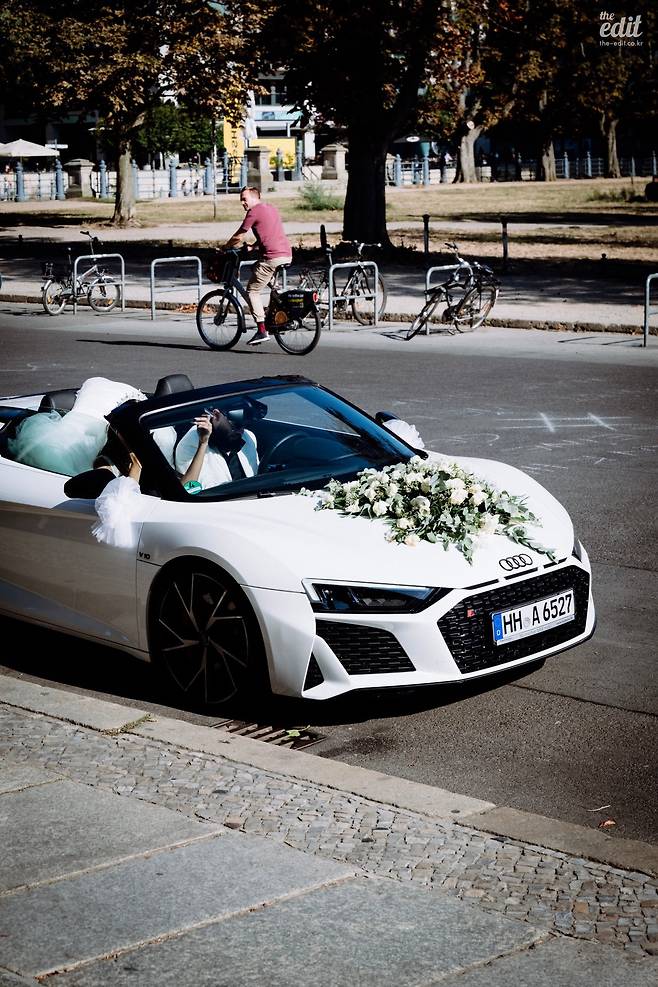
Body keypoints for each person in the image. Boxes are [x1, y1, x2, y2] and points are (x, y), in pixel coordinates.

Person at [223, 185, 292, 345]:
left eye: (244, 199)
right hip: (286, 255)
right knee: (255, 268)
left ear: (255, 198)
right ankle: (276, 299)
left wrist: (225, 247)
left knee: (252, 291)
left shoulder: (253, 212)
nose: (242, 203)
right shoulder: (271, 208)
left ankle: (261, 330)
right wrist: (253, 247)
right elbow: (268, 235)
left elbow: (239, 235)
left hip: (272, 257)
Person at [174, 408, 259, 490]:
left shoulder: (248, 437)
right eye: (234, 426)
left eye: (243, 426)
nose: (240, 432)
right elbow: (188, 488)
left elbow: (256, 477)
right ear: (216, 414)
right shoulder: (191, 443)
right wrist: (203, 443)